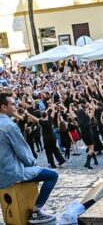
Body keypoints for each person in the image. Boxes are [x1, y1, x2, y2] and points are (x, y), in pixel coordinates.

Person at [0, 92, 58, 223]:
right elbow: (23, 152)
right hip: (12, 174)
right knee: (52, 175)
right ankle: (36, 212)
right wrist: (33, 164)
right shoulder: (9, 126)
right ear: (3, 107)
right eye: (13, 104)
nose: (15, 106)